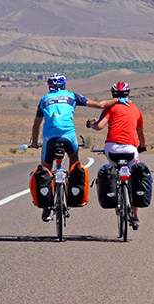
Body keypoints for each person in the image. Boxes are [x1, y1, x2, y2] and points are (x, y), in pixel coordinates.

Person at [30, 73, 111, 221]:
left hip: (49, 139)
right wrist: (118, 99)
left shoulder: (44, 100)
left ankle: (46, 207)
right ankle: (74, 190)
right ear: (65, 85)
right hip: (69, 137)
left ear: (49, 87)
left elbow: (36, 125)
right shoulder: (71, 96)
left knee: (46, 169)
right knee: (74, 159)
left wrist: (35, 143)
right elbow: (99, 105)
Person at [87, 81, 146, 229]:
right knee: (134, 176)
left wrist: (91, 124)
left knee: (113, 170)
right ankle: (135, 215)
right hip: (131, 150)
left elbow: (100, 126)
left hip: (112, 149)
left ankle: (116, 191)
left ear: (113, 94)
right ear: (128, 94)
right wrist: (142, 146)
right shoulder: (135, 109)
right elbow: (141, 133)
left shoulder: (111, 108)